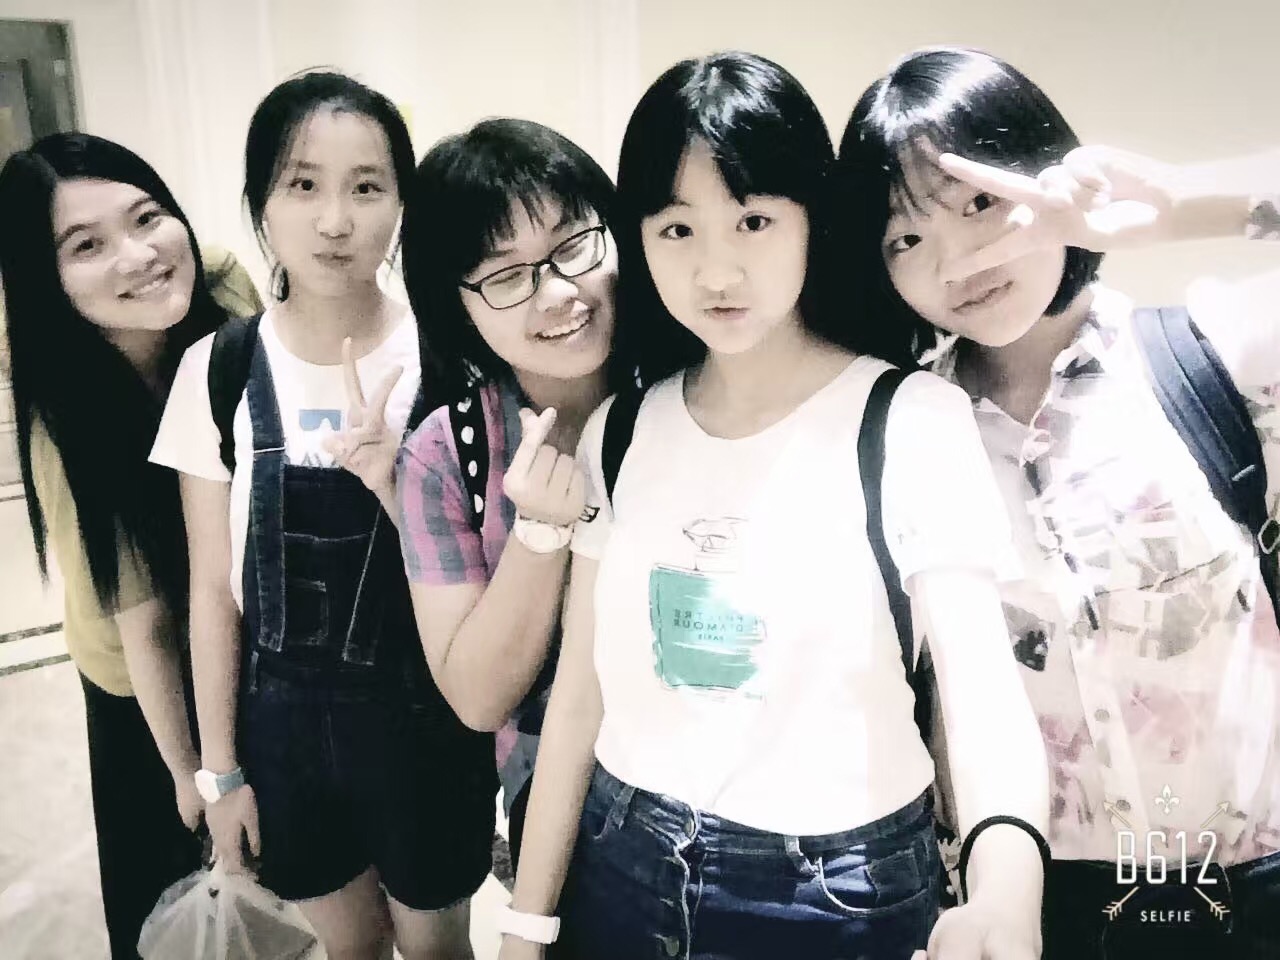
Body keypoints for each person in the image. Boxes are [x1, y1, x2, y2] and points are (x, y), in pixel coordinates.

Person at [500, 51, 1050, 960]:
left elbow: (980, 684)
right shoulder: (620, 430)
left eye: (753, 221)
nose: (717, 271)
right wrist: (526, 923)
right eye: (677, 229)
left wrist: (1007, 890)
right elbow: (581, 701)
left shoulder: (909, 419)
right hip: (623, 862)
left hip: (837, 894)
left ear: (809, 223)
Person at [837, 44, 1280, 959]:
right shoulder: (902, 433)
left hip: (1255, 886)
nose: (957, 260)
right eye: (906, 239)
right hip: (1036, 910)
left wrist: (1183, 205)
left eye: (979, 203)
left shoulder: (1206, 359)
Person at [150, 71, 494, 960]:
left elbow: (487, 574)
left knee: (437, 951)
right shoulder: (217, 369)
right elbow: (211, 594)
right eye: (303, 184)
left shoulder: (453, 359)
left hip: (426, 729)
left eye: (366, 187)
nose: (335, 221)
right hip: (284, 739)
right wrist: (220, 771)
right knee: (349, 951)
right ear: (261, 202)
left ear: (402, 204)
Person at [0, 131, 260, 958]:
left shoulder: (219, 283)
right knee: (162, 875)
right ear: (45, 278)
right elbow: (143, 626)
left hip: (236, 619)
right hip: (134, 669)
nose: (139, 256)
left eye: (147, 217)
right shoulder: (64, 420)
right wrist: (194, 777)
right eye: (86, 246)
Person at [396, 117, 627, 870]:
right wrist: (537, 534)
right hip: (556, 802)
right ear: (455, 304)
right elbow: (476, 698)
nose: (557, 293)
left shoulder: (697, 393)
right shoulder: (445, 454)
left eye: (574, 245)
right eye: (505, 276)